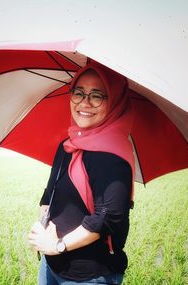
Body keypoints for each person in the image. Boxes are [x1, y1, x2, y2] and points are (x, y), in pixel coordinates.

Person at [28, 60, 135, 285]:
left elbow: (107, 219)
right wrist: (42, 227)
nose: (84, 102)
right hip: (50, 265)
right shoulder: (67, 145)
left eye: (97, 95)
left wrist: (57, 245)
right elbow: (50, 194)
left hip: (88, 276)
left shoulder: (113, 156)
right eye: (79, 93)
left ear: (114, 102)